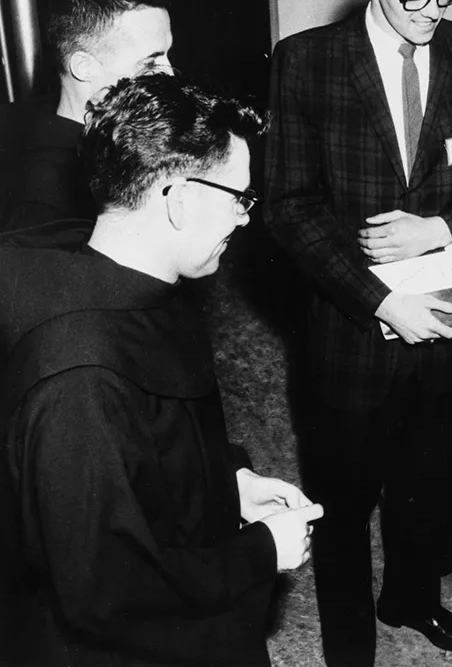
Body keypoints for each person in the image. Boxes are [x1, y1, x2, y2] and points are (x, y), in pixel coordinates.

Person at [263, 0, 452, 666]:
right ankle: (349, 644)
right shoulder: (306, 61)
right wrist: (381, 297)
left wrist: (443, 230)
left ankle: (412, 597)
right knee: (344, 502)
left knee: (433, 479)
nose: (429, 13)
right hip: (351, 332)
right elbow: (288, 209)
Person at [0, 74, 322, 666]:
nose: (246, 220)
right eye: (239, 198)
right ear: (177, 200)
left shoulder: (155, 291)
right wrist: (259, 553)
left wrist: (232, 484)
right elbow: (105, 591)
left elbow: (159, 451)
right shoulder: (78, 383)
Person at [0, 0, 173, 230]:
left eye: (167, 56)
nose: (170, 75)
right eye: (150, 63)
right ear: (84, 67)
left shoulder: (109, 144)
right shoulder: (45, 199)